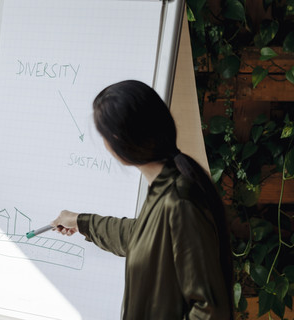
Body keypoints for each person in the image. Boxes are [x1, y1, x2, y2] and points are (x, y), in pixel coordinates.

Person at [52, 80, 233, 319]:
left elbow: (210, 311)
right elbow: (141, 238)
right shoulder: (166, 186)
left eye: (104, 136)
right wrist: (81, 221)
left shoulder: (179, 201)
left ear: (118, 140)